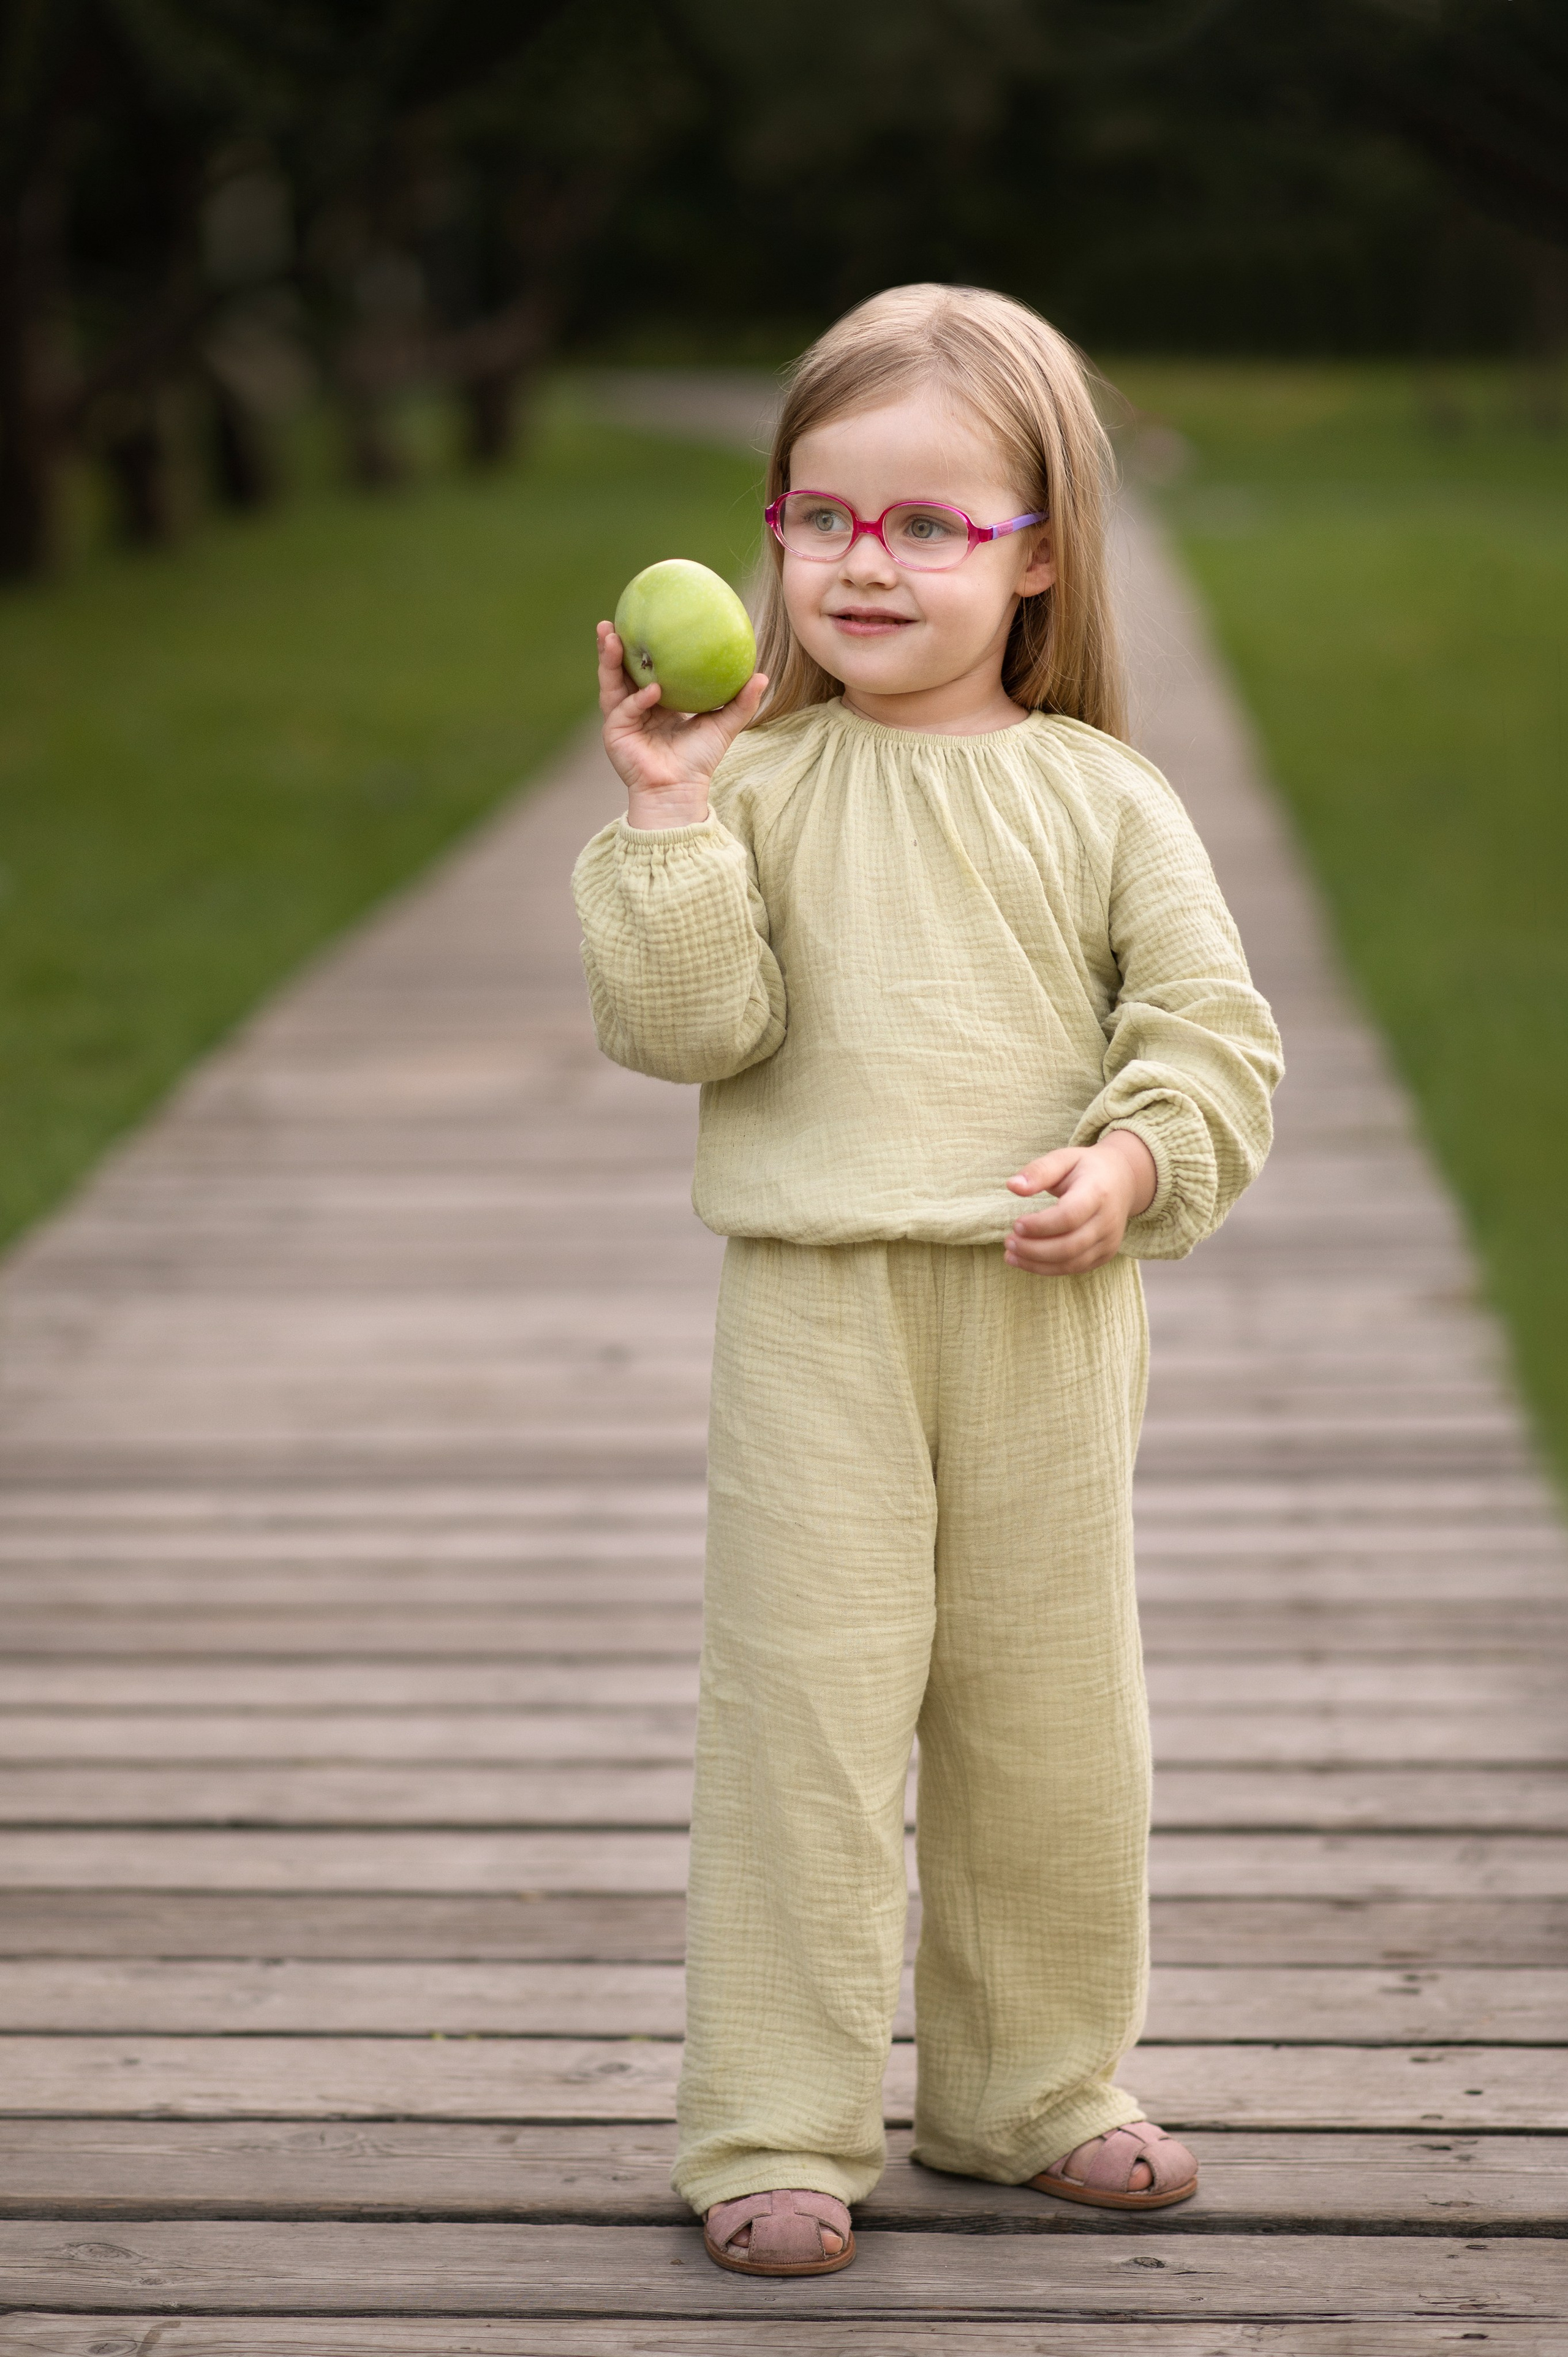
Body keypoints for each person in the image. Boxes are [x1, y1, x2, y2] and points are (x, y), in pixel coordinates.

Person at [572, 282, 1282, 2279]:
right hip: (818, 1316)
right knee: (801, 1713)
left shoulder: (1101, 794)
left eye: (928, 524)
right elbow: (689, 1028)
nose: (861, 563)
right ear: (773, 528)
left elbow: (1213, 1029)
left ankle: (1032, 2084)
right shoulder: (762, 785)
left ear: (1039, 549)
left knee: (1050, 1719)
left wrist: (1133, 1156)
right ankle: (776, 2117)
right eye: (822, 518)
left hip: (1047, 1317)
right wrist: (667, 807)